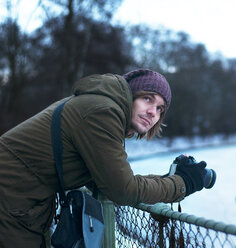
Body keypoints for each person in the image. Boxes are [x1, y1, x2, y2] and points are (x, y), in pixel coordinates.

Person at [0, 69, 207, 247]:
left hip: (21, 195)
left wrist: (167, 179)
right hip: (12, 192)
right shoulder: (102, 113)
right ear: (131, 95)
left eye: (160, 108)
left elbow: (117, 178)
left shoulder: (101, 107)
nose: (153, 112)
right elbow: (123, 190)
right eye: (147, 98)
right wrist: (182, 184)